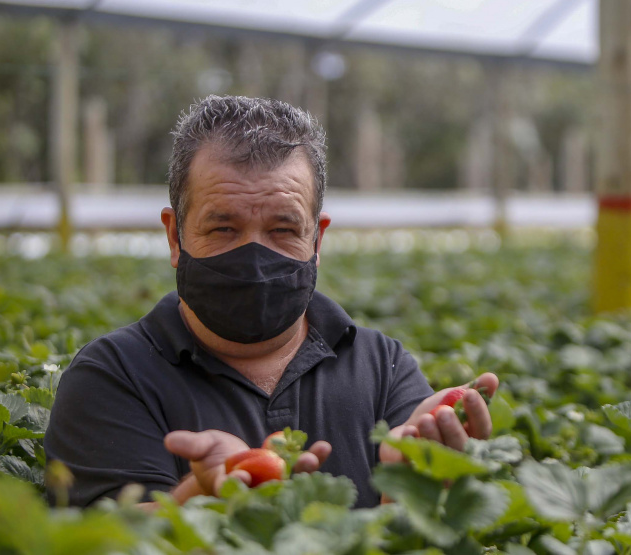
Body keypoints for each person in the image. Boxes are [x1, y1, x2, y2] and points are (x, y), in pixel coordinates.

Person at [44, 95, 498, 509]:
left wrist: (412, 491)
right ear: (174, 236)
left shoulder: (383, 368)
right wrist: (203, 495)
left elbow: (415, 533)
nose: (256, 257)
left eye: (283, 230)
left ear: (316, 239)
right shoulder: (111, 376)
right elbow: (108, 538)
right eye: (223, 228)